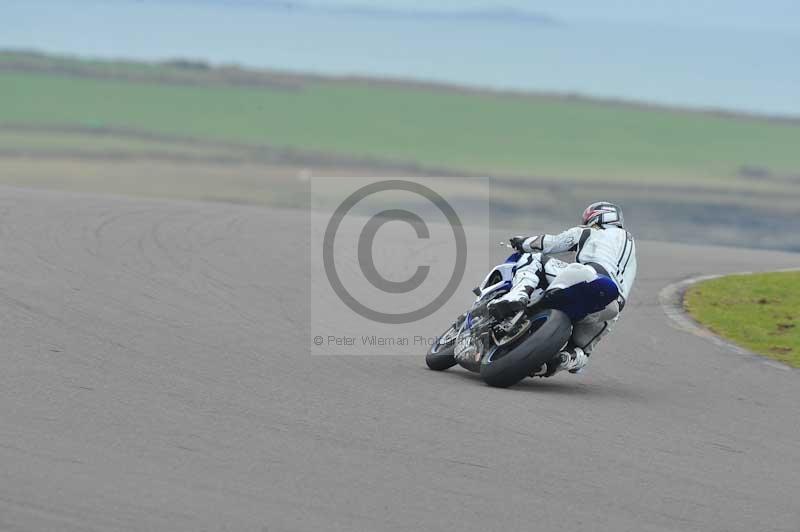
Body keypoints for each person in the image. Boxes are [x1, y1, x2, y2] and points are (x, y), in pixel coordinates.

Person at [487, 202, 637, 376]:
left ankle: (516, 296)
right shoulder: (631, 251)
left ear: (597, 216)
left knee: (534, 258)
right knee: (582, 349)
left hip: (589, 276)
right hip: (612, 306)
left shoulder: (592, 231)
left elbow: (549, 243)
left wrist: (522, 242)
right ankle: (565, 359)